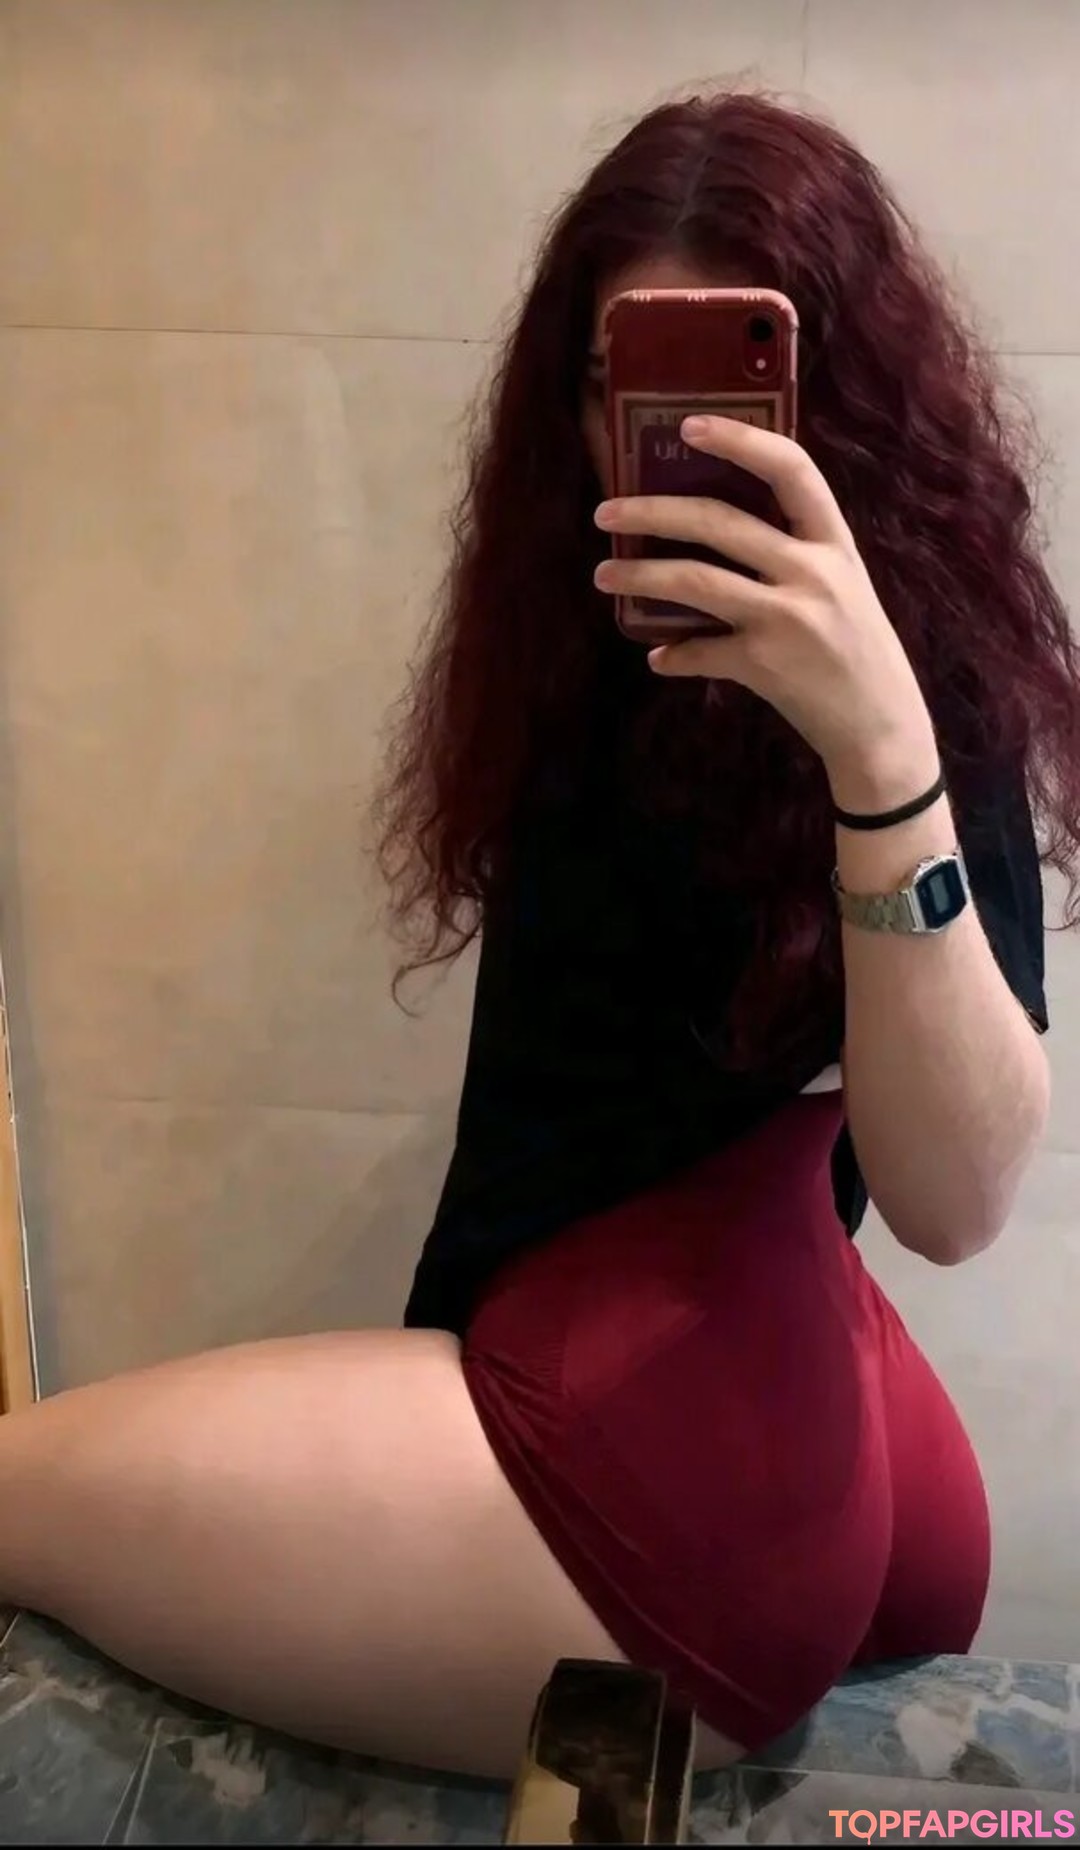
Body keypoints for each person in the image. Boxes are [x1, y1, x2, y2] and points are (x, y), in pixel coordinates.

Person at [0, 91, 1077, 1783]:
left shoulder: (920, 669)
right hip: (783, 1404)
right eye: (618, 384)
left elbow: (954, 1202)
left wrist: (882, 755)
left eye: (740, 388)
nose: (673, 446)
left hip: (694, 1478)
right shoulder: (568, 630)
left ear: (839, 399)